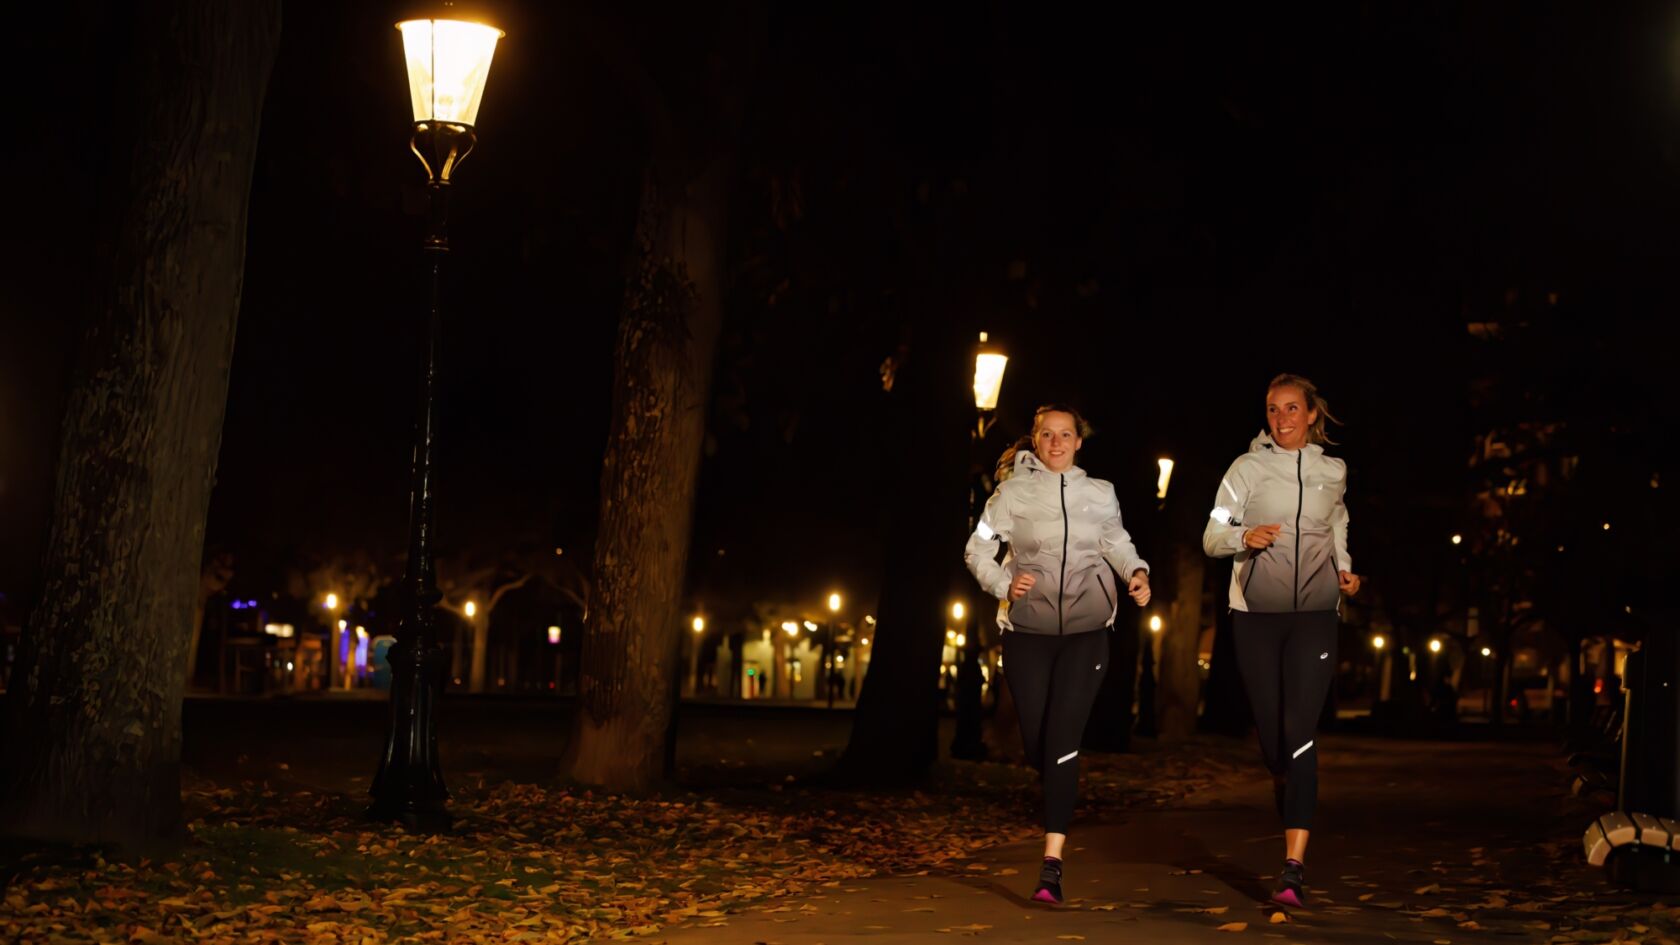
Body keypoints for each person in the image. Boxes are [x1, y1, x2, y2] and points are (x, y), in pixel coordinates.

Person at [965, 404, 1151, 905]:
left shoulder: (1100, 493)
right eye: (1047, 435)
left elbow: (1116, 542)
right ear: (1036, 439)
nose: (1056, 442)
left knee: (1064, 740)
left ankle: (1052, 865)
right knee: (1039, 745)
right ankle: (1054, 778)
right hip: (1027, 632)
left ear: (1078, 441)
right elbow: (977, 549)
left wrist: (1136, 572)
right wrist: (1005, 583)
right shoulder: (1011, 494)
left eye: (1065, 435)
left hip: (1088, 632)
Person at [1202, 373, 1361, 908]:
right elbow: (1211, 535)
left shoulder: (1332, 472)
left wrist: (1345, 570)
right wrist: (1243, 536)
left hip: (1315, 614)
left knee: (1301, 733)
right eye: (1273, 410)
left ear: (1311, 414)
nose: (1282, 419)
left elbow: (1336, 524)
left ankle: (1293, 867)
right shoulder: (1246, 470)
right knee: (1274, 739)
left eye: (1292, 409)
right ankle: (1281, 771)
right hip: (1257, 615)